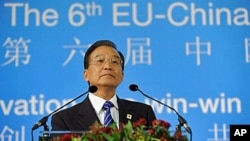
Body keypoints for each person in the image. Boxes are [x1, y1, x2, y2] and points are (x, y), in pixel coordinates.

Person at [51, 40, 156, 131]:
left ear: (122, 76)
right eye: (100, 61)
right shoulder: (64, 119)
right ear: (86, 75)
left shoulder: (143, 113)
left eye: (115, 62)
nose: (107, 66)